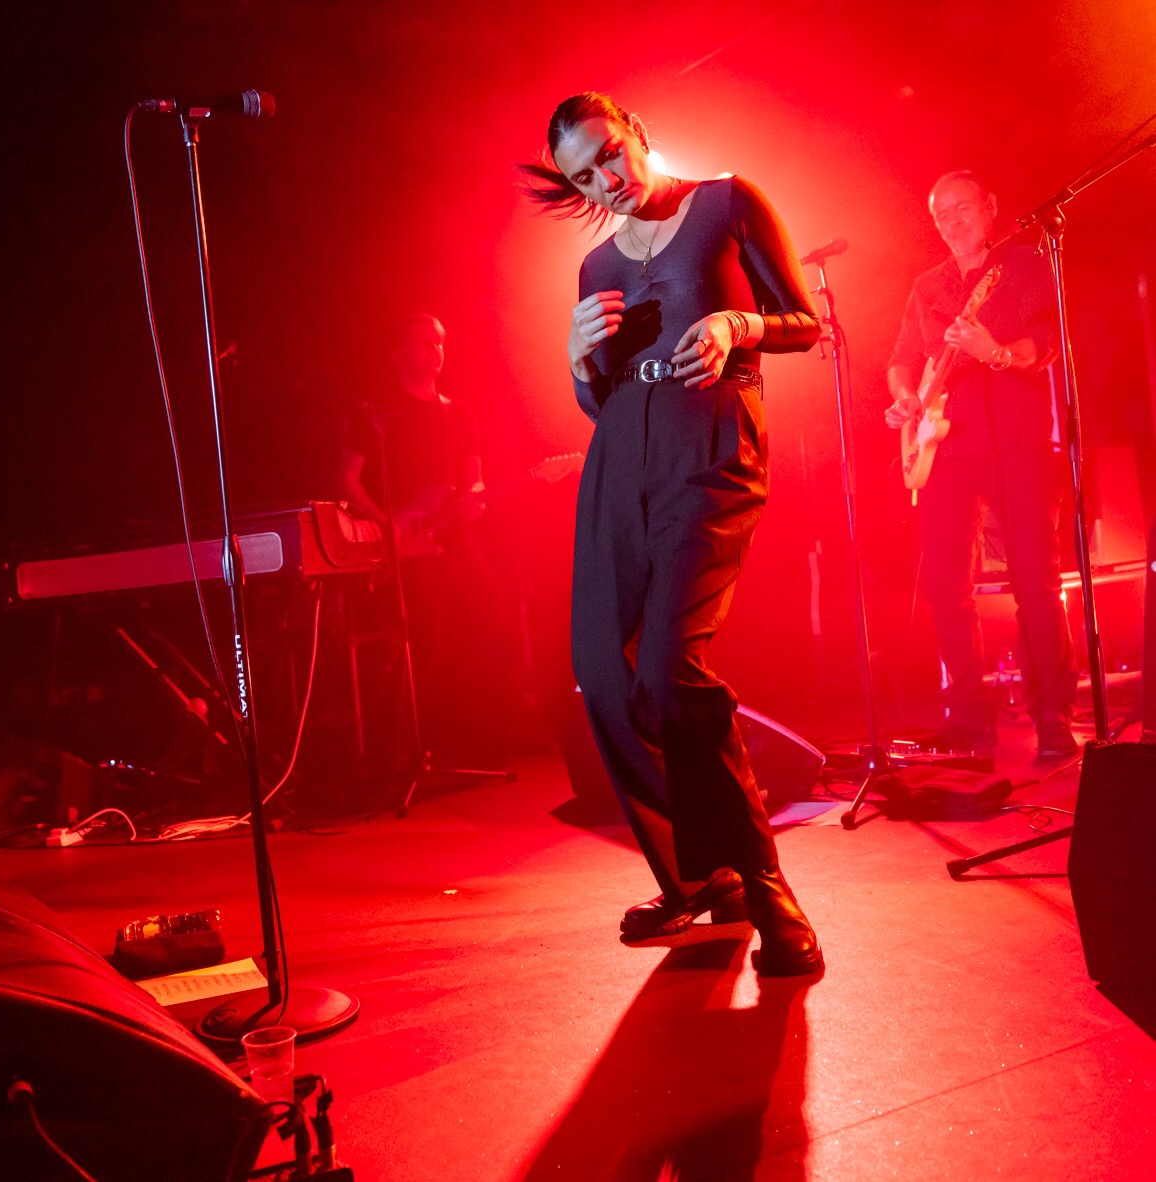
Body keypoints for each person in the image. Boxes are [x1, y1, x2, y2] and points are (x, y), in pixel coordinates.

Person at [521, 92, 823, 975]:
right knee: (599, 673)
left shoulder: (727, 202)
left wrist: (738, 323)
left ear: (638, 135)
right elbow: (597, 400)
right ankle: (697, 875)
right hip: (620, 461)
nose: (606, 181)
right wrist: (578, 359)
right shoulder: (595, 266)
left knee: (668, 667)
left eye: (611, 155)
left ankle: (763, 882)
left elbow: (806, 323)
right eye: (584, 177)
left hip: (713, 448)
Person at [883, 171, 1074, 757]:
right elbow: (901, 358)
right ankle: (968, 719)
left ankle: (1053, 719)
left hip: (1016, 441)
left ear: (990, 207)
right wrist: (906, 399)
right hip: (945, 448)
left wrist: (993, 353)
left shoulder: (1023, 267)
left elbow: (1047, 342)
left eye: (962, 207)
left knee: (1035, 584)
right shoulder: (928, 285)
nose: (952, 221)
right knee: (946, 587)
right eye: (941, 214)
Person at [339, 313, 523, 770]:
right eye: (423, 341)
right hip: (404, 546)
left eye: (440, 341)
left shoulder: (459, 414)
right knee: (428, 639)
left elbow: (474, 481)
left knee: (498, 628)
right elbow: (346, 480)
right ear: (396, 353)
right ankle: (393, 753)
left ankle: (474, 739)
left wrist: (474, 501)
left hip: (455, 536)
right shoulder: (376, 415)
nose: (435, 349)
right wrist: (387, 525)